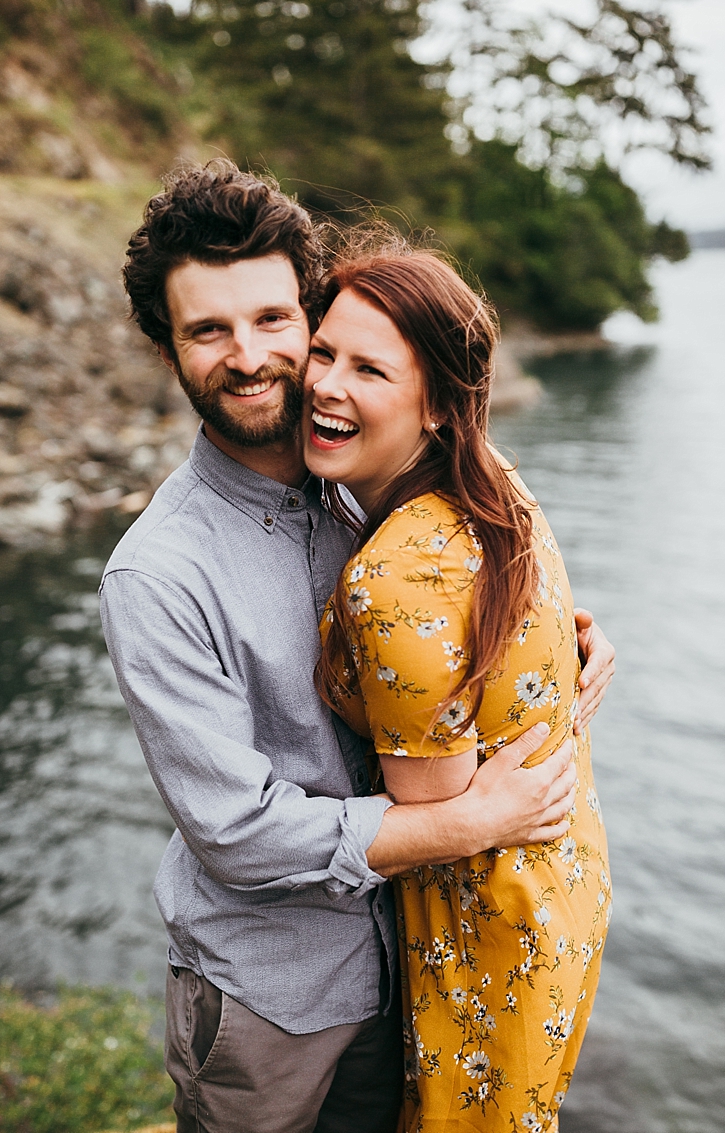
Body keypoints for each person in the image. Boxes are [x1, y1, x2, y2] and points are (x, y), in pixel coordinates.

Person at [99, 161, 614, 1132]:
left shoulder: (368, 470)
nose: (248, 356)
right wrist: (472, 821)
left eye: (273, 321)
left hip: (417, 959)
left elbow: (463, 609)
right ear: (163, 344)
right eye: (207, 330)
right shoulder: (156, 574)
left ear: (314, 315)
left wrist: (560, 650)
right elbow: (237, 831)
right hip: (272, 1001)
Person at [308, 244, 608, 1129]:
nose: (325, 383)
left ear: (436, 403)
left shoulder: (396, 576)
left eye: (368, 367)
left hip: (480, 934)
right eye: (323, 351)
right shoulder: (494, 484)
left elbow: (434, 814)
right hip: (562, 883)